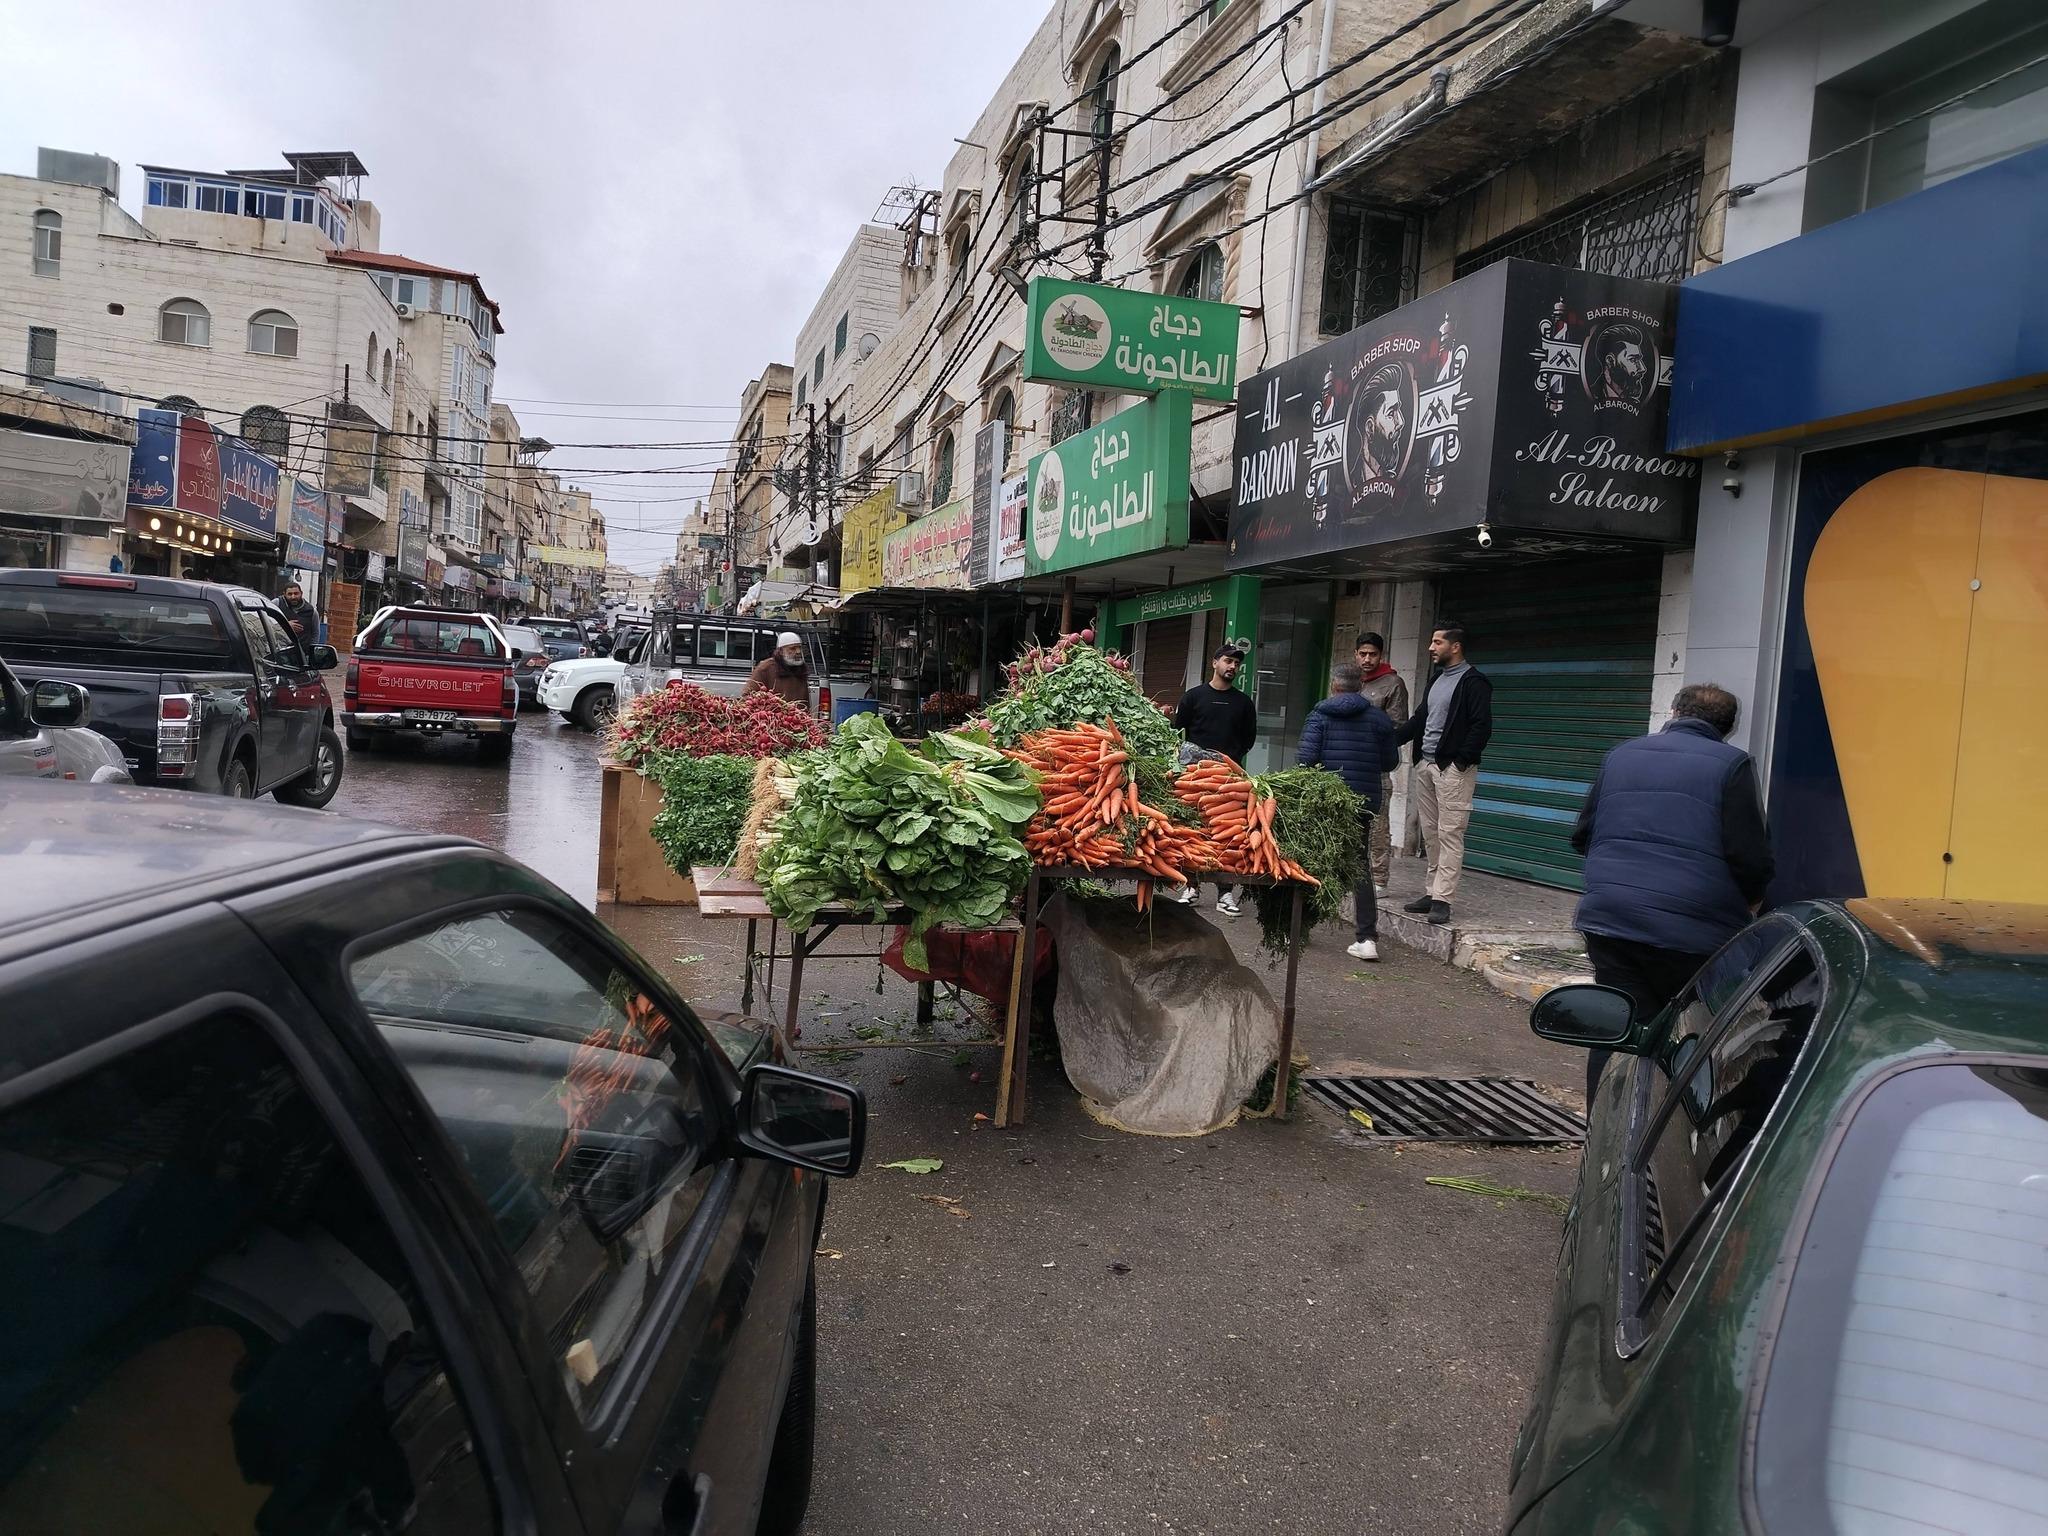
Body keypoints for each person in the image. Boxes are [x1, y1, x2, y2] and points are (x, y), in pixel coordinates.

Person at [1570, 683, 1773, 1100]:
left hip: (1611, 920)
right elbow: (1750, 858)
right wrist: (1752, 902)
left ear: (1675, 712)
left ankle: (1602, 1125)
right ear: (1729, 727)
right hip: (1692, 934)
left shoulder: (1621, 755)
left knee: (1616, 1026)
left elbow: (1582, 835)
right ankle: (1671, 1127)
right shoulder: (1733, 764)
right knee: (1690, 1035)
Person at [1298, 662, 1399, 961]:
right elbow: (1390, 762)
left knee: (1314, 859)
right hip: (1363, 802)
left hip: (1326, 800)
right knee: (1359, 864)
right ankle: (1367, 939)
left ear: (1334, 685)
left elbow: (1305, 760)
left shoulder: (1319, 715)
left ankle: (1299, 927)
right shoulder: (1379, 719)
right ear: (1361, 686)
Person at [1395, 622, 1492, 926]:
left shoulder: (1474, 682)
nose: (1431, 648)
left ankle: (1443, 899)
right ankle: (1431, 891)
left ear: (1455, 646)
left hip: (1452, 770)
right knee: (1431, 833)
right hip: (1425, 765)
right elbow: (1420, 718)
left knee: (1451, 834)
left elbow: (1481, 726)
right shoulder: (1437, 679)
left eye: (1437, 642)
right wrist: (1389, 738)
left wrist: (1460, 762)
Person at [1174, 642, 1258, 914]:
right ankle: (1191, 886)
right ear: (1215, 663)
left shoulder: (1243, 703)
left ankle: (1225, 894)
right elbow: (1178, 731)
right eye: (1228, 661)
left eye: (1236, 663)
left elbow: (1248, 739)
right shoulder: (1193, 697)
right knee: (1193, 830)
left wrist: (1230, 762)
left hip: (1228, 779)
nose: (1232, 666)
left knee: (1228, 834)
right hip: (1194, 777)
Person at [1354, 632, 1409, 898]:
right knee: (1349, 823)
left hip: (1376, 767)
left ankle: (1379, 879)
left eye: (1372, 654)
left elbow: (1397, 726)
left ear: (1381, 655)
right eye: (1363, 654)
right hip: (1348, 762)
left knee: (1377, 825)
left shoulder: (1392, 683)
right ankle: (1350, 875)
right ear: (1356, 655)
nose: (1367, 659)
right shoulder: (1351, 680)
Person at [747, 630, 809, 705]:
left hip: (797, 712)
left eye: (799, 648)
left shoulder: (801, 669)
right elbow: (748, 697)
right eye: (793, 648)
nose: (798, 651)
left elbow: (805, 703)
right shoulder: (765, 668)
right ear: (781, 651)